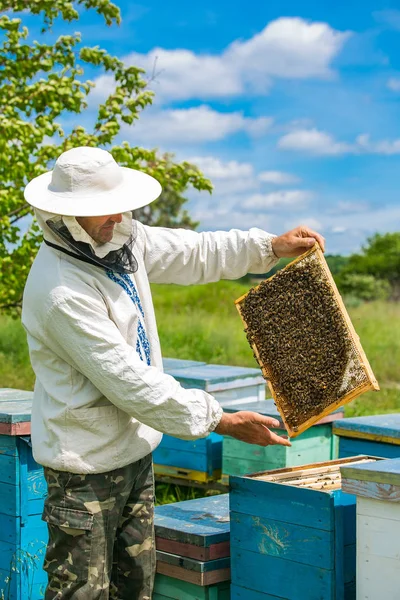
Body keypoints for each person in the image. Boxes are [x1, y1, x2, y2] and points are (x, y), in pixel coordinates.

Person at [22, 146, 325, 600]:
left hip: (134, 452)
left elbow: (194, 250)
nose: (117, 216)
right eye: (102, 210)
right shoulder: (61, 289)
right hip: (83, 469)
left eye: (118, 204)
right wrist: (217, 419)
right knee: (82, 593)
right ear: (67, 216)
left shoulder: (120, 236)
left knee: (136, 586)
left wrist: (269, 247)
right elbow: (128, 380)